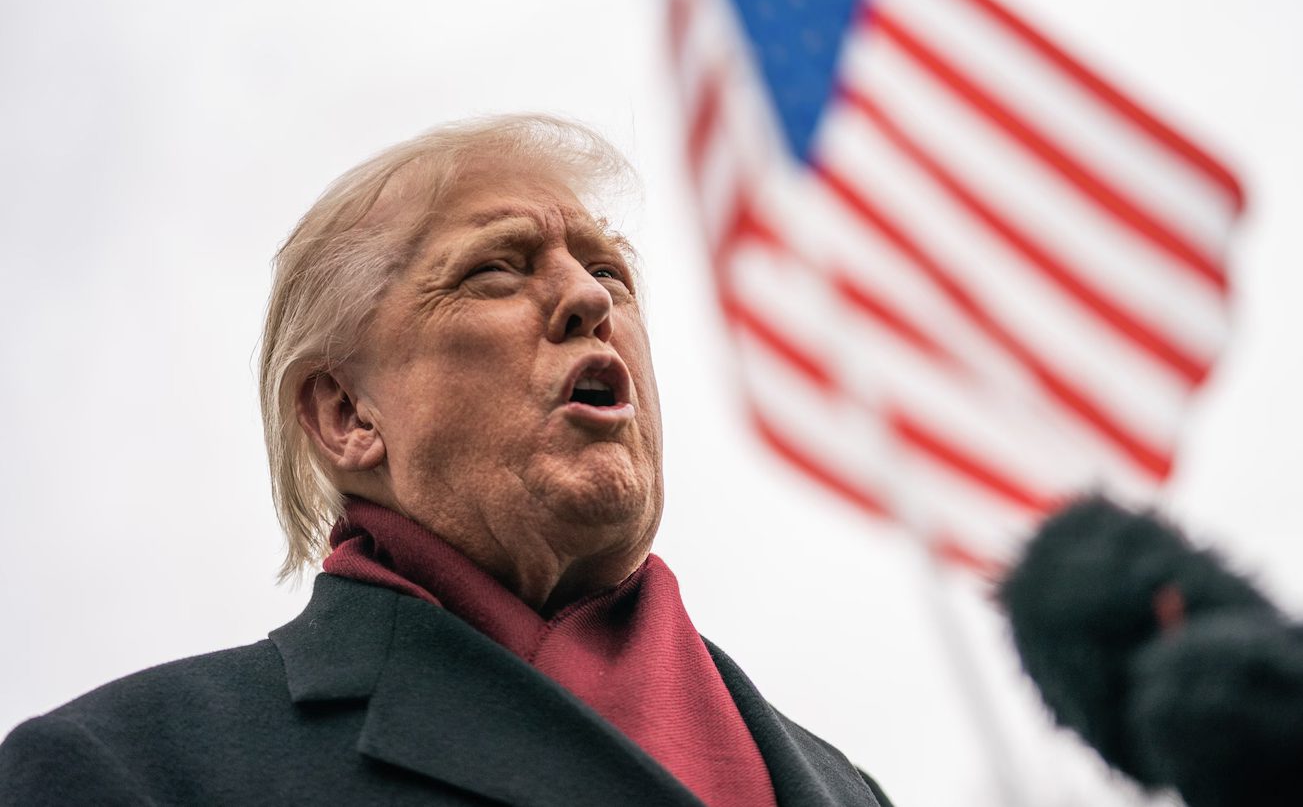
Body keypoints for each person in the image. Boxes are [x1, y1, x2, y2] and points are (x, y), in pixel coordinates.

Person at [0, 115, 892, 806]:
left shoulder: (845, 785)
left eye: (609, 271)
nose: (587, 297)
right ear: (348, 413)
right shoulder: (130, 770)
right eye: (496, 270)